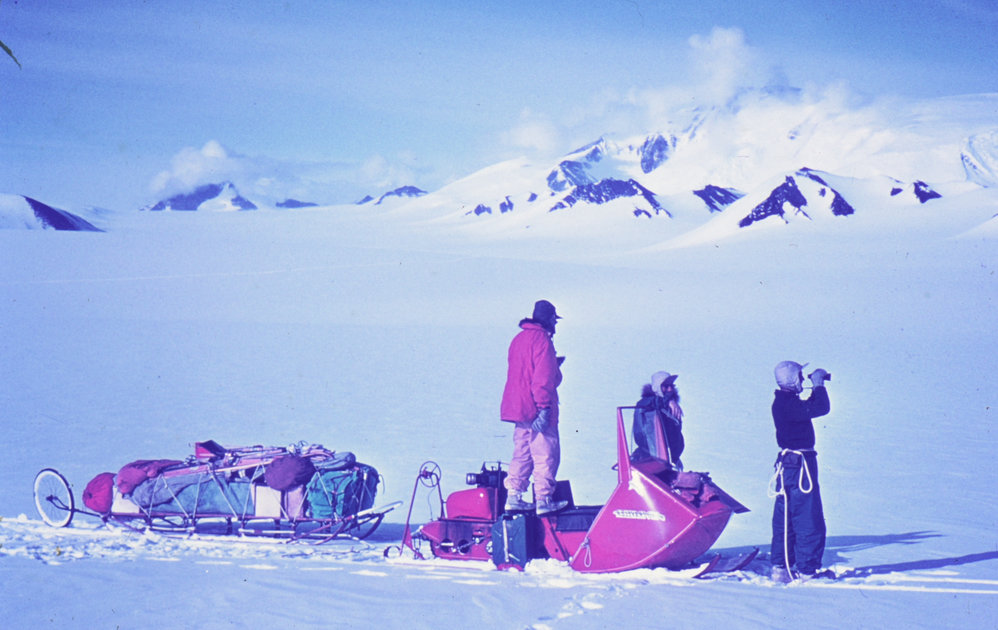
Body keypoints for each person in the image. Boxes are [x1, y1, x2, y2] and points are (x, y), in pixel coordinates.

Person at [500, 299, 568, 515]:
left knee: (522, 451)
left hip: (518, 407)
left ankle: (514, 497)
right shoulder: (543, 341)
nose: (555, 324)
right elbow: (542, 379)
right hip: (537, 407)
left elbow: (523, 373)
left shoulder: (518, 339)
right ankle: (543, 499)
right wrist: (544, 408)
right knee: (545, 453)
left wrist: (553, 365)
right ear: (549, 319)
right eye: (554, 320)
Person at [768, 360, 833, 583]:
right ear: (793, 379)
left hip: (790, 465)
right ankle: (807, 570)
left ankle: (781, 567)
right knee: (807, 516)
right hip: (800, 465)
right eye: (800, 376)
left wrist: (816, 387)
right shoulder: (788, 405)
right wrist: (819, 385)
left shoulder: (784, 402)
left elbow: (809, 408)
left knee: (786, 515)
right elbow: (820, 408)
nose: (803, 379)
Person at [632, 371, 685, 469]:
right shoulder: (646, 404)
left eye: (671, 386)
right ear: (657, 388)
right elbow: (650, 402)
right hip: (650, 459)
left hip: (668, 460)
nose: (670, 389)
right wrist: (668, 401)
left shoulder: (670, 408)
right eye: (665, 386)